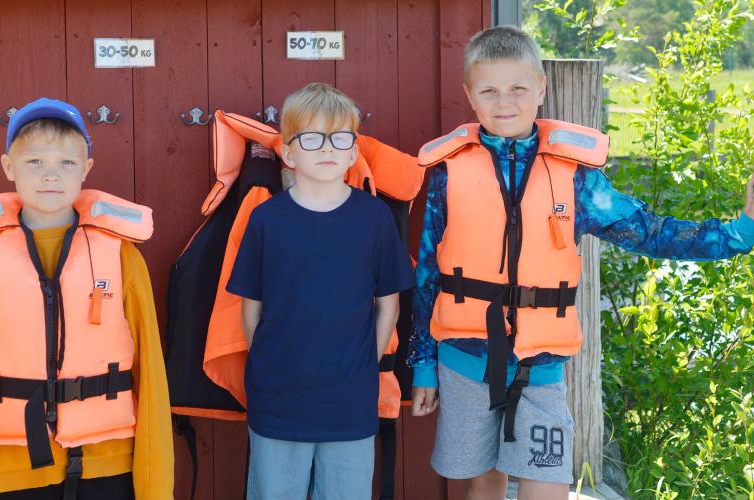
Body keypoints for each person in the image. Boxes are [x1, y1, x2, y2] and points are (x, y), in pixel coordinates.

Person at [408, 26, 754, 500]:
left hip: (542, 364)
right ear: (470, 95)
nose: (503, 101)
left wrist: (740, 232)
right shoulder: (449, 172)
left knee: (546, 487)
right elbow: (428, 273)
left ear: (541, 89)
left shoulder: (576, 178)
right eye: (489, 90)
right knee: (482, 486)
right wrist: (423, 363)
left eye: (518, 89)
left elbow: (649, 231)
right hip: (464, 360)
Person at [0, 98, 174, 499]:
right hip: (11, 466)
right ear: (8, 167)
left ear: (86, 169)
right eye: (35, 162)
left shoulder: (121, 254)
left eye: (66, 163)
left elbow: (151, 375)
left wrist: (154, 487)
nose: (50, 176)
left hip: (109, 462)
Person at [225, 83, 415, 500]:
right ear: (289, 153)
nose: (327, 148)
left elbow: (388, 305)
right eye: (311, 138)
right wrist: (272, 366)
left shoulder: (374, 218)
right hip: (278, 397)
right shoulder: (266, 220)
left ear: (352, 151)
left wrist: (366, 361)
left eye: (340, 138)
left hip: (350, 398)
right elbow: (250, 309)